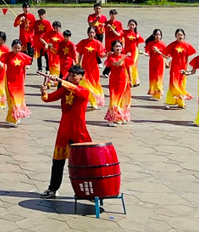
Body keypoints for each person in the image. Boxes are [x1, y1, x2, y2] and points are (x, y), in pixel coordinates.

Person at [38, 65, 92, 199]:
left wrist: (60, 81)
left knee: (82, 164)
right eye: (70, 75)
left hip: (78, 132)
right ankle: (53, 189)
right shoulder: (64, 90)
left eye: (75, 75)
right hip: (64, 131)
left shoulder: (84, 91)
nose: (72, 77)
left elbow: (75, 89)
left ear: (81, 78)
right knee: (57, 162)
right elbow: (48, 99)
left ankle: (88, 192)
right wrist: (44, 92)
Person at [0, 39, 32, 126]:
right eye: (15, 47)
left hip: (19, 83)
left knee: (18, 101)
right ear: (12, 47)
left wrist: (24, 79)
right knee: (12, 101)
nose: (16, 50)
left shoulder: (24, 57)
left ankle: (15, 117)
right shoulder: (8, 55)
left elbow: (25, 68)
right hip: (10, 82)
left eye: (18, 48)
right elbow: (0, 65)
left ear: (21, 48)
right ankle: (13, 118)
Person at [164, 28, 197, 109]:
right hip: (174, 68)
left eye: (181, 35)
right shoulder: (172, 45)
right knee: (173, 84)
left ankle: (180, 103)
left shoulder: (187, 45)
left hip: (183, 68)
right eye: (178, 35)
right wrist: (166, 62)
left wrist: (186, 70)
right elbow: (165, 54)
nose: (180, 36)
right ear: (176, 36)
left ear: (184, 36)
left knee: (181, 84)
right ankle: (169, 101)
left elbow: (187, 57)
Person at [75, 26, 105, 109]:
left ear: (95, 33)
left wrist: (107, 55)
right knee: (85, 84)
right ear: (87, 33)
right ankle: (88, 101)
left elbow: (101, 55)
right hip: (85, 67)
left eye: (93, 33)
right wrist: (78, 63)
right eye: (90, 32)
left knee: (93, 84)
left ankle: (94, 101)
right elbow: (80, 53)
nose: (91, 34)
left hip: (94, 67)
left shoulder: (98, 43)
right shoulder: (83, 42)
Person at [104, 40, 132, 126]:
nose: (118, 48)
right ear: (113, 47)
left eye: (120, 46)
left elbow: (128, 68)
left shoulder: (124, 56)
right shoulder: (111, 57)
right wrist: (125, 56)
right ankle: (111, 119)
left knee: (121, 99)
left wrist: (130, 80)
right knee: (114, 99)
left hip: (123, 80)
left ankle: (119, 116)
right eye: (116, 46)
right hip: (114, 81)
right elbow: (116, 64)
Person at [40, 21, 64, 91]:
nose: (56, 29)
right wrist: (46, 44)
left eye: (58, 28)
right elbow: (41, 38)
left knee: (58, 68)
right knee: (51, 67)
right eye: (55, 28)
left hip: (58, 54)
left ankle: (55, 80)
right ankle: (50, 81)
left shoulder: (61, 35)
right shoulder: (50, 33)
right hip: (51, 54)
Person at [143, 29, 166, 100]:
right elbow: (148, 53)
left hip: (160, 62)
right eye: (156, 35)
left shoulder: (163, 44)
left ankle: (159, 92)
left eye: (159, 35)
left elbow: (165, 55)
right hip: (152, 62)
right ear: (154, 35)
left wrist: (166, 63)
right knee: (153, 77)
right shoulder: (150, 43)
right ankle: (153, 92)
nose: (158, 36)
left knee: (159, 77)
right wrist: (143, 53)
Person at [121, 19, 145, 87]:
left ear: (135, 26)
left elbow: (141, 41)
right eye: (130, 24)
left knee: (132, 65)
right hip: (127, 51)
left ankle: (135, 81)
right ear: (128, 25)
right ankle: (128, 80)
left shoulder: (136, 34)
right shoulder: (125, 32)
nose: (131, 26)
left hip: (134, 52)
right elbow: (119, 33)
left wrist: (138, 37)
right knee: (127, 66)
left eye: (133, 25)